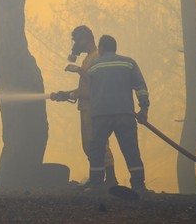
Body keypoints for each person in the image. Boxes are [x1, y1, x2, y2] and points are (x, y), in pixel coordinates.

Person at [50, 25, 118, 187]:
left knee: (98, 143)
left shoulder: (96, 57)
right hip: (87, 107)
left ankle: (109, 179)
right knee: (89, 144)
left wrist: (79, 71)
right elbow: (85, 89)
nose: (75, 46)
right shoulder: (88, 58)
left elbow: (97, 87)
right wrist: (66, 94)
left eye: (77, 41)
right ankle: (97, 179)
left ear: (85, 39)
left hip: (94, 108)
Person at [86, 34, 151, 193]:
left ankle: (96, 185)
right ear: (115, 48)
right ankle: (138, 186)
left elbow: (89, 90)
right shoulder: (128, 63)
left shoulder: (93, 66)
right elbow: (140, 86)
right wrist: (144, 108)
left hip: (100, 115)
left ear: (101, 48)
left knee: (97, 150)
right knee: (131, 150)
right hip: (124, 114)